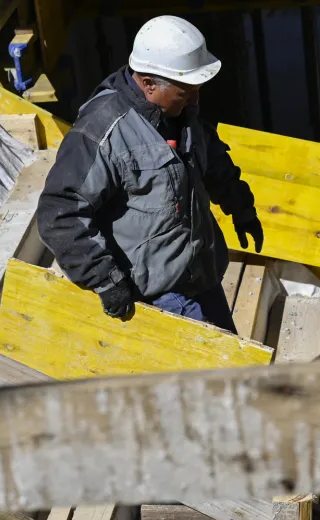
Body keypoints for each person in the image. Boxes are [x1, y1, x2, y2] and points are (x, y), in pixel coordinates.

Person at [36, 15, 263, 334]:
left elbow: (210, 157)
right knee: (212, 378)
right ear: (148, 83)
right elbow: (59, 212)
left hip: (202, 274)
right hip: (158, 294)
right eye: (187, 91)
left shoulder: (182, 111)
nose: (196, 99)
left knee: (232, 369)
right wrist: (106, 279)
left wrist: (242, 208)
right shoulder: (103, 131)